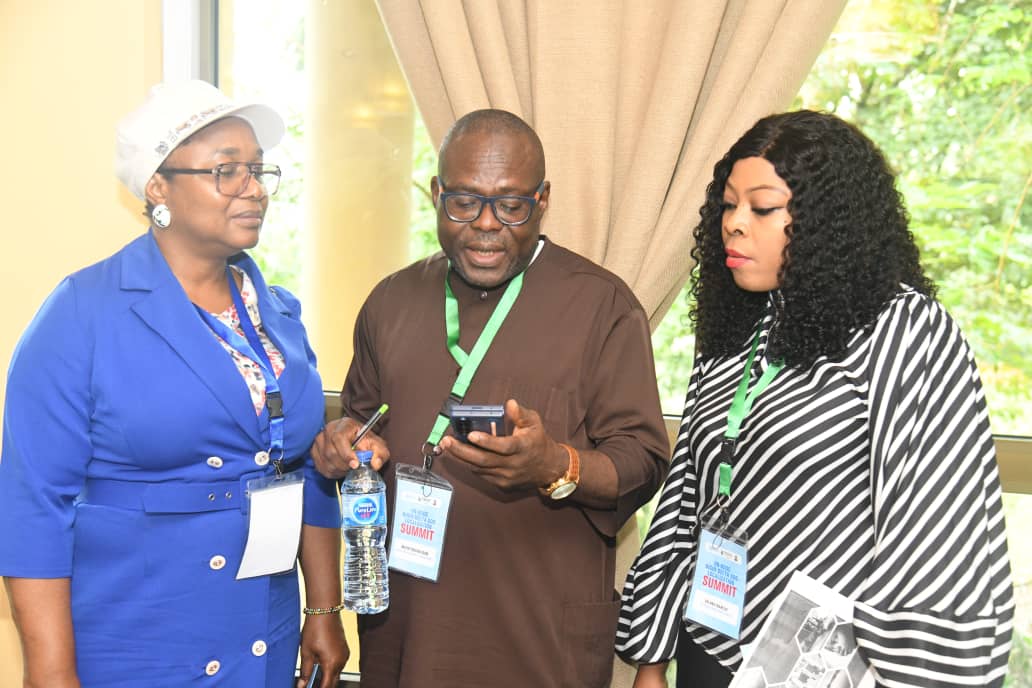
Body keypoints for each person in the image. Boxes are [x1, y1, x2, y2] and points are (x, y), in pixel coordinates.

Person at [616, 110, 1014, 687]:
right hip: (708, 646)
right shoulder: (738, 326)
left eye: (762, 208)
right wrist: (651, 660)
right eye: (728, 205)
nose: (734, 225)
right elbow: (686, 499)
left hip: (816, 668)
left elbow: (937, 534)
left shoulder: (904, 331)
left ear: (827, 219)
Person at [0, 81, 349, 688]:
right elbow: (33, 506)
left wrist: (322, 609)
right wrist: (51, 673)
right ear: (158, 187)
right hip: (137, 640)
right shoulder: (82, 313)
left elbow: (304, 471)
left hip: (260, 636)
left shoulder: (278, 315)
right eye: (226, 171)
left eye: (258, 169)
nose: (254, 188)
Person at [312, 108, 670, 688]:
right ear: (437, 194)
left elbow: (644, 462)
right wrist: (340, 445)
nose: (485, 224)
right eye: (464, 202)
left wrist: (555, 465)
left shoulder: (603, 306)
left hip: (537, 638)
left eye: (510, 205)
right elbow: (362, 423)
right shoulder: (391, 301)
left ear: (542, 200)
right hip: (405, 634)